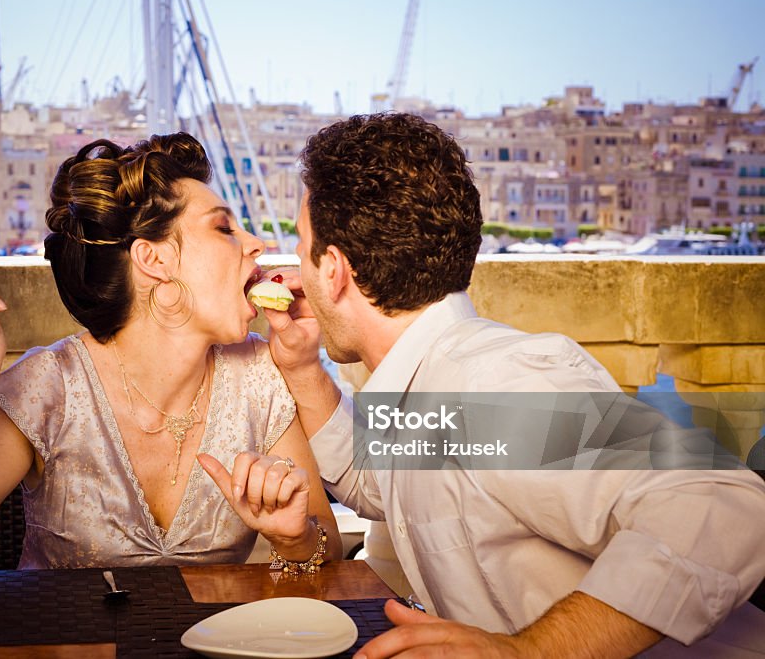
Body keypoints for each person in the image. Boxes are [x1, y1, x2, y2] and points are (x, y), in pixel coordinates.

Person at [263, 113, 765, 657]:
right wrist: (302, 368)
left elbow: (726, 506)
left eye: (301, 243)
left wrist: (532, 651)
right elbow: (382, 484)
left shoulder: (495, 387)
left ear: (334, 270)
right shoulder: (431, 381)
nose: (299, 270)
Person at [0, 132, 340, 574]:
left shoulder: (260, 375)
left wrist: (294, 538)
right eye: (224, 227)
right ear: (153, 260)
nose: (256, 244)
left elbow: (329, 550)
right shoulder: (48, 386)